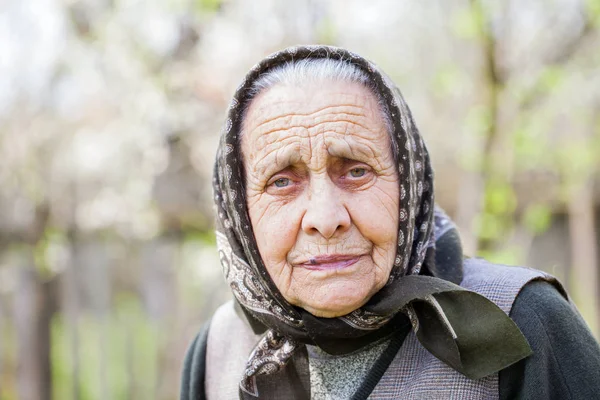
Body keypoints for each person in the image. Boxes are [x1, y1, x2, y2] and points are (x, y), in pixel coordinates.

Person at [180, 45, 600, 400]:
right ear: (240, 212)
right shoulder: (217, 349)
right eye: (282, 181)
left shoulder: (526, 319)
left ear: (408, 183)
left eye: (356, 171)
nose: (326, 220)